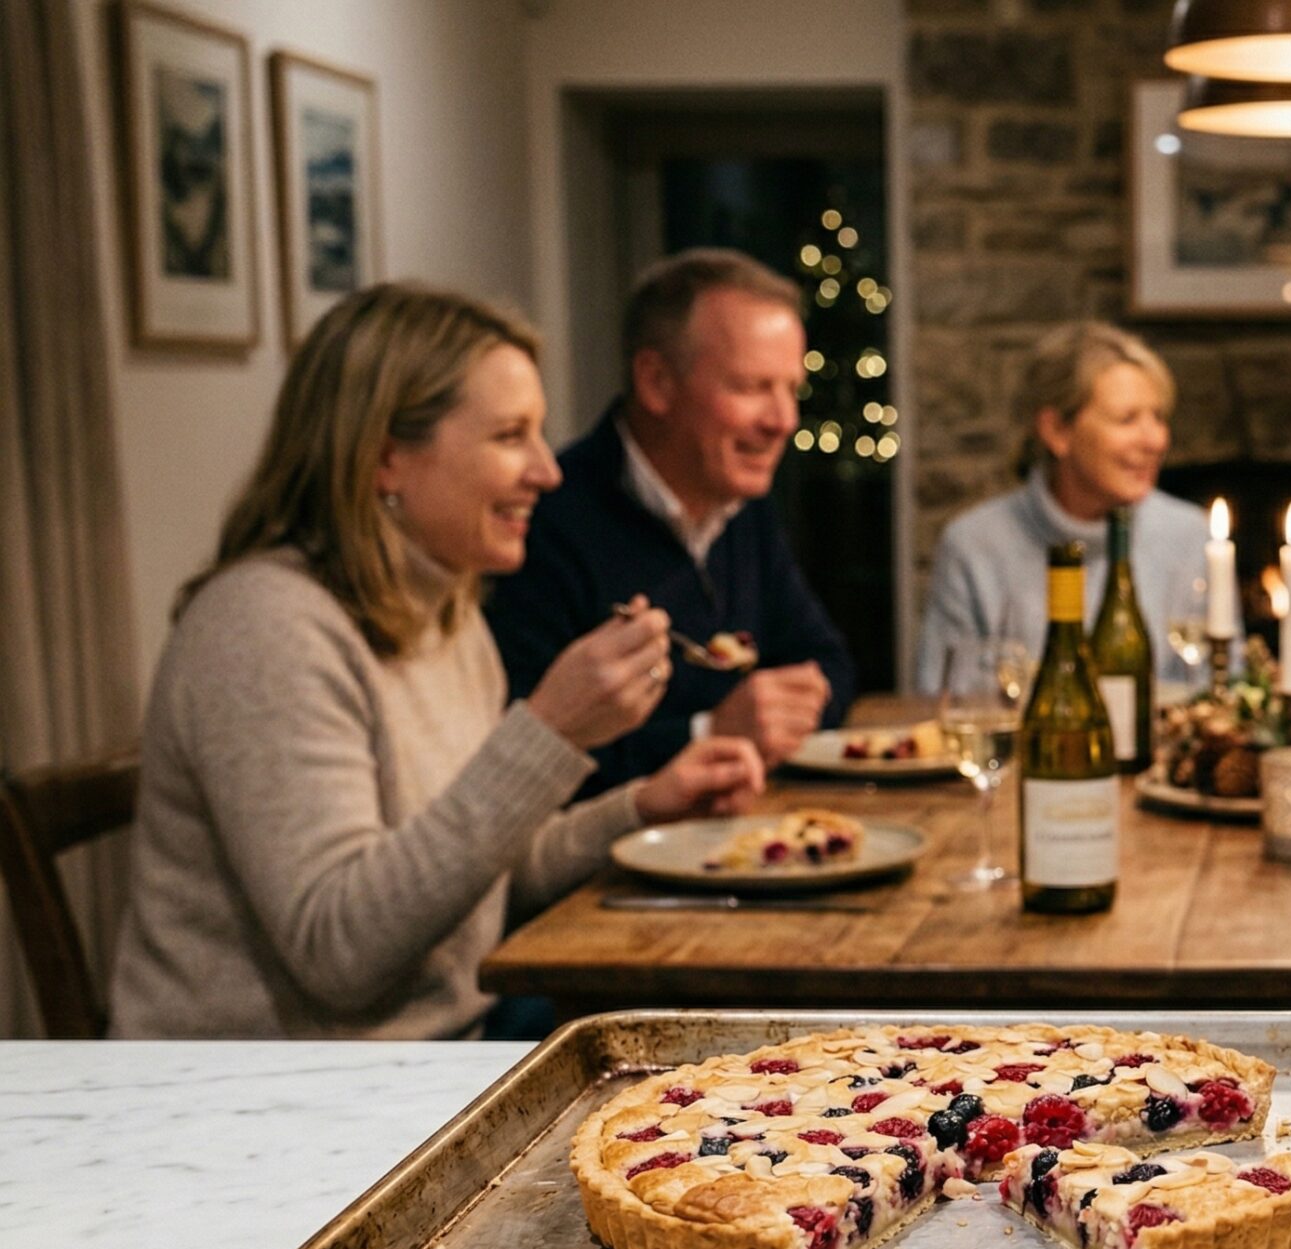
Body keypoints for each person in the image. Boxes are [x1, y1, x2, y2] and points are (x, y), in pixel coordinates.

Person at [111, 285, 764, 1039]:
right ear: (387, 458)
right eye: (510, 435)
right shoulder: (263, 626)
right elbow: (342, 949)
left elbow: (481, 881)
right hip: (273, 1092)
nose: (548, 472)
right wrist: (550, 733)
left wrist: (642, 806)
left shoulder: (447, 612)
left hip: (439, 1051)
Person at [483, 249, 853, 797]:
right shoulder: (544, 522)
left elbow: (830, 667)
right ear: (656, 382)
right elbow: (525, 766)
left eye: (791, 390)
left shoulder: (741, 507)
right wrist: (709, 733)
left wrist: (771, 716)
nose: (784, 421)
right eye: (752, 387)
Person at [914, 320, 1209, 689]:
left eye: (1159, 417)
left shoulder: (1189, 534)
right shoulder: (974, 546)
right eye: (1127, 418)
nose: (1155, 440)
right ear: (1057, 431)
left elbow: (1218, 690)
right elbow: (942, 697)